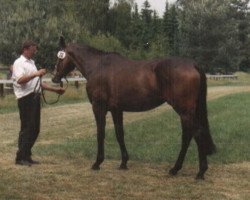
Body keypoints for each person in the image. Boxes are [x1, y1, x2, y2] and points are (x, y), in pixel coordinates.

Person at [12, 40, 65, 166]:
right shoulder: (19, 63)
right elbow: (20, 80)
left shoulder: (31, 63)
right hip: (25, 99)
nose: (34, 51)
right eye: (33, 49)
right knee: (27, 128)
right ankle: (20, 158)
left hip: (34, 97)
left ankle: (26, 155)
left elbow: (37, 83)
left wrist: (55, 90)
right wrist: (36, 73)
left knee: (35, 129)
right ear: (25, 49)